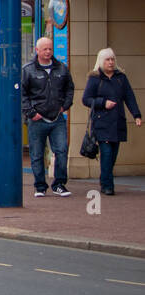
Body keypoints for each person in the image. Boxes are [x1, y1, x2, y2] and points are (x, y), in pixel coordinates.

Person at [81, 48, 142, 197]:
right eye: (107, 60)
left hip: (118, 121)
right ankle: (108, 186)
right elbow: (86, 99)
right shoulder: (95, 78)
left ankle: (104, 179)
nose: (110, 62)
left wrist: (137, 115)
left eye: (112, 59)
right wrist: (103, 102)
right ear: (101, 61)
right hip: (102, 122)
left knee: (113, 155)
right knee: (106, 154)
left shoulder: (121, 78)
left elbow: (129, 97)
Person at [21, 36, 74, 197]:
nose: (48, 52)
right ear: (37, 50)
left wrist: (64, 106)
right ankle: (40, 186)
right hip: (37, 119)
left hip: (56, 118)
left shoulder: (61, 68)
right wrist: (31, 113)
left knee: (62, 150)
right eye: (44, 49)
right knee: (36, 154)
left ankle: (59, 184)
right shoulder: (28, 69)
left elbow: (69, 89)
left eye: (50, 49)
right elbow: (22, 94)